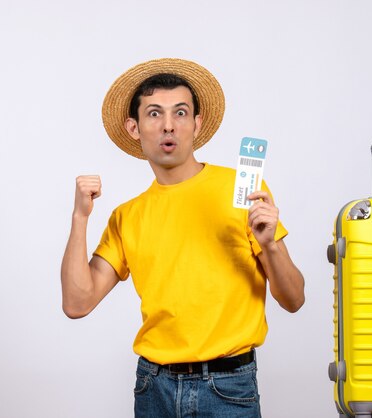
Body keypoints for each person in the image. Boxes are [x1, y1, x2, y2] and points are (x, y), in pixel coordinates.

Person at [61, 58, 305, 417]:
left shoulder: (242, 190)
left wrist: (269, 245)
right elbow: (77, 303)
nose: (169, 126)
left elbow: (294, 298)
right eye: (155, 114)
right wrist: (80, 218)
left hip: (228, 388)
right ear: (134, 127)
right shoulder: (127, 216)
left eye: (180, 112)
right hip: (153, 388)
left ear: (196, 123)